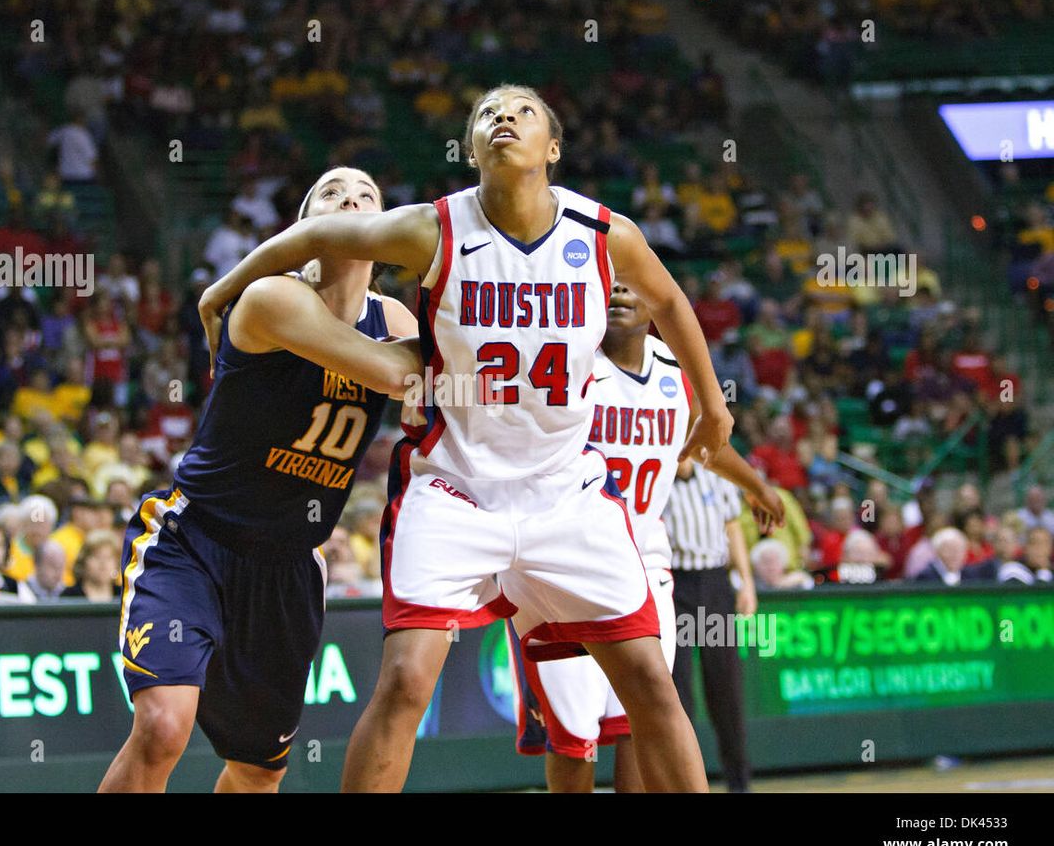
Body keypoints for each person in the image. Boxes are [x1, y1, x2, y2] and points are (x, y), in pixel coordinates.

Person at [198, 85, 734, 792]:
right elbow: (313, 237)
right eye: (488, 113)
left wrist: (712, 405)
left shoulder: (604, 234)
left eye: (523, 111)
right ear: (473, 146)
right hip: (455, 487)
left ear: (553, 148)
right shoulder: (433, 228)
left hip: (566, 491)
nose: (503, 118)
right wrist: (222, 290)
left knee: (650, 683)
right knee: (405, 680)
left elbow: (669, 299)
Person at [100, 167, 419, 794]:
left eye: (365, 197)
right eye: (330, 193)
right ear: (303, 227)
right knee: (164, 727)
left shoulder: (396, 317)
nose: (349, 200)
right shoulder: (273, 297)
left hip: (288, 564)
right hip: (196, 541)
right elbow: (396, 375)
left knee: (255, 771)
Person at [509, 282, 783, 792]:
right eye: (607, 280)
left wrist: (757, 486)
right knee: (574, 736)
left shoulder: (673, 373)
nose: (618, 289)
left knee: (645, 720)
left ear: (660, 302)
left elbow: (700, 442)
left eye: (633, 281)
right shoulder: (566, 360)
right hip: (562, 563)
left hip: (644, 564)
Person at [663, 455, 757, 792]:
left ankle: (739, 782)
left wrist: (746, 582)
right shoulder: (657, 479)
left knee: (726, 689)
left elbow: (733, 527)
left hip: (715, 584)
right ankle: (683, 782)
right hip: (675, 587)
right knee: (679, 693)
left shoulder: (715, 476)